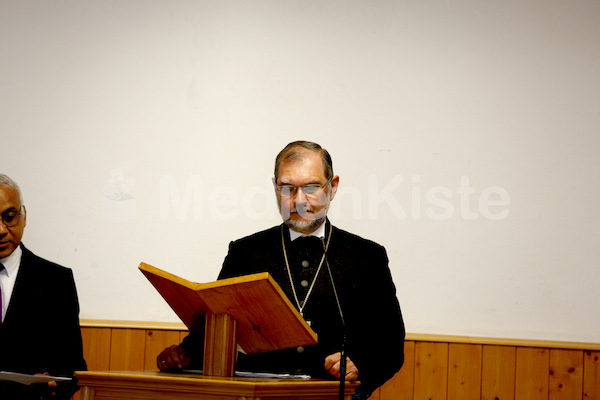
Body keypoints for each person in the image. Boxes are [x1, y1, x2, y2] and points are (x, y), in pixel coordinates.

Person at [157, 141, 405, 399]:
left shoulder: (366, 256)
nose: (299, 200)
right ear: (275, 187)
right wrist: (181, 355)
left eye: (311, 187)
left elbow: (390, 346)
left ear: (332, 187)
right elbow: (215, 327)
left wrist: (359, 365)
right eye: (287, 188)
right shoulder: (245, 252)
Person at [0, 174, 87, 400]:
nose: (1, 230)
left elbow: (73, 368)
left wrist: (49, 382)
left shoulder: (56, 280)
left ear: (24, 216)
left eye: (9, 217)